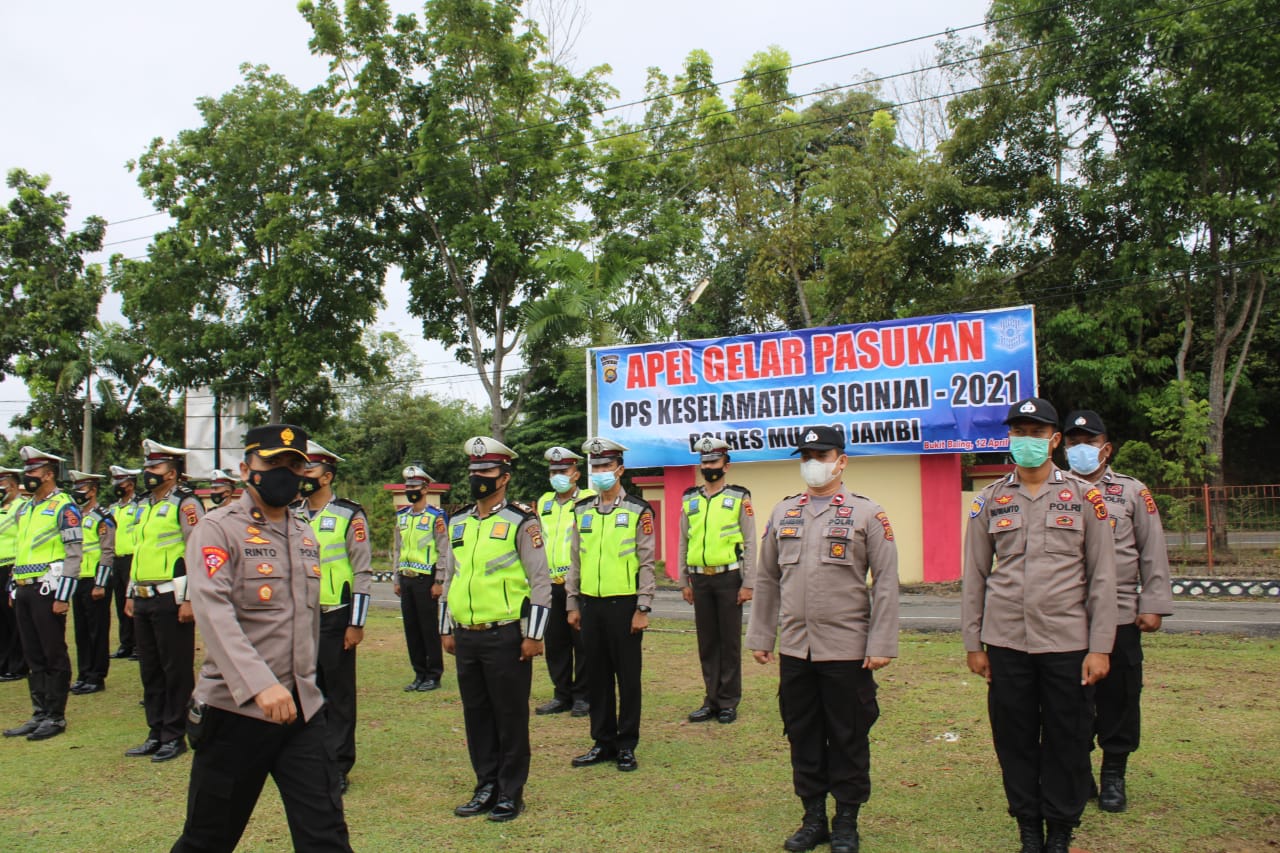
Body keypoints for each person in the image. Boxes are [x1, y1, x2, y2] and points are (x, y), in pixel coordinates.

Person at [172, 424, 352, 853]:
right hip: (236, 712)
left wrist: (305, 685)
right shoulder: (217, 529)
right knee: (208, 840)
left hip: (302, 710)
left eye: (294, 465)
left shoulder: (303, 532)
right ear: (245, 469)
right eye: (273, 462)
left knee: (326, 836)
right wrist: (260, 684)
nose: (284, 473)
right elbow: (214, 613)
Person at [963, 398, 1118, 853]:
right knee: (1014, 739)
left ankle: (1061, 830)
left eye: (1036, 433)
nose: (1025, 441)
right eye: (1018, 432)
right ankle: (1028, 826)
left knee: (1068, 739)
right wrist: (974, 643)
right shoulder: (989, 500)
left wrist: (1100, 646)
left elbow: (1103, 576)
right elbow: (975, 575)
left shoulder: (1085, 497)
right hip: (1007, 642)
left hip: (1067, 643)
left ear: (1054, 440)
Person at [746, 426, 900, 853]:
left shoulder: (867, 514)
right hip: (797, 648)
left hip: (847, 650)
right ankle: (813, 817)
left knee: (849, 736)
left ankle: (846, 820)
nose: (813, 463)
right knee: (802, 733)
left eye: (822, 455)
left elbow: (886, 582)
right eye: (807, 456)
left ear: (841, 461)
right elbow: (767, 578)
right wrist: (762, 635)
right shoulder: (784, 512)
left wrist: (881, 643)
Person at [1062, 409, 1174, 813]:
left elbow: (1152, 549)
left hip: (1121, 611)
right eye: (1073, 442)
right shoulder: (1055, 490)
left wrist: (1154, 603)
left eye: (1089, 442)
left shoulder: (1131, 492)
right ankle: (1080, 774)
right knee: (1070, 699)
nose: (1081, 449)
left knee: (1120, 697)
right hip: (1068, 614)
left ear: (1106, 449)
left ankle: (1114, 774)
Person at [439, 436, 551, 822]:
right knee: (477, 715)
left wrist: (534, 635)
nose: (478, 477)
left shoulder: (522, 521)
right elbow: (450, 577)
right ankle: (485, 785)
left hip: (505, 635)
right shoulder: (458, 521)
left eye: (486, 471)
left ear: (504, 477)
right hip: (466, 633)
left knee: (510, 717)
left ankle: (510, 792)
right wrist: (446, 627)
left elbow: (540, 581)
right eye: (474, 470)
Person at [566, 437, 656, 773]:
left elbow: (647, 562)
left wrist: (643, 607)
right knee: (597, 677)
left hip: (624, 606)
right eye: (596, 466)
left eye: (606, 465)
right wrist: (572, 602)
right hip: (590, 605)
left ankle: (626, 745)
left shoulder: (638, 510)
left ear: (620, 469)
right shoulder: (582, 510)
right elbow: (576, 560)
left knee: (628, 679)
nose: (600, 471)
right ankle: (602, 741)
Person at [296, 440, 372, 793]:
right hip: (300, 618)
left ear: (326, 476)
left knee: (338, 695)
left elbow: (362, 572)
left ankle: (339, 764)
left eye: (309, 470)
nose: (302, 475)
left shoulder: (348, 515)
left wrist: (356, 623)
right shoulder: (291, 514)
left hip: (335, 616)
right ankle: (311, 759)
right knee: (306, 690)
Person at [125, 439, 205, 763]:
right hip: (143, 596)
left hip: (171, 597)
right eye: (147, 466)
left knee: (176, 670)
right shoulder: (144, 505)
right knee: (151, 669)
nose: (148, 472)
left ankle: (175, 734)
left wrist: (189, 600)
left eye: (155, 467)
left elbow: (196, 552)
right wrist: (131, 591)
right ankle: (155, 731)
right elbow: (139, 550)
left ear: (171, 473)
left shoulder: (186, 503)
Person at [3, 446, 82, 741]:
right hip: (24, 587)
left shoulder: (64, 506)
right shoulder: (25, 508)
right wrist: (14, 585)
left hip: (48, 589)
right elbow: (20, 550)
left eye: (33, 471)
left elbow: (74, 553)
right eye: (26, 471)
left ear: (48, 474)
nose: (28, 476)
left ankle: (55, 715)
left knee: (53, 652)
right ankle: (39, 712)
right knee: (32, 654)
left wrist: (63, 596)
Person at [679, 436, 756, 725]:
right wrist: (683, 581)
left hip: (729, 578)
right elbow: (683, 541)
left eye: (714, 461)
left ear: (726, 465)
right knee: (707, 643)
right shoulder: (690, 498)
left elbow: (750, 541)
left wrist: (748, 583)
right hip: (699, 579)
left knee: (729, 642)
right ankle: (711, 700)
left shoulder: (739, 497)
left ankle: (728, 701)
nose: (708, 467)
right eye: (704, 462)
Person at [534, 445, 594, 717]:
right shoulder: (544, 502)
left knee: (582, 642)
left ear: (576, 474)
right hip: (550, 582)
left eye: (564, 471)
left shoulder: (589, 499)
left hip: (576, 583)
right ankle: (562, 694)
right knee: (556, 642)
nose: (558, 476)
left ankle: (584, 696)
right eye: (553, 472)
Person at [391, 465, 448, 692]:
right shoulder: (402, 516)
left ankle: (434, 674)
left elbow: (443, 550)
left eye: (415, 486)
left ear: (425, 489)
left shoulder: (436, 517)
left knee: (428, 628)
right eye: (408, 486)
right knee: (411, 629)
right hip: (406, 577)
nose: (410, 490)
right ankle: (419, 673)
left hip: (426, 578)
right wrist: (396, 578)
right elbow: (398, 548)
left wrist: (439, 580)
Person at [68, 470, 115, 695]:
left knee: (97, 631)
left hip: (95, 580)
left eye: (82, 488)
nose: (77, 493)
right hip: (79, 579)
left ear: (93, 491)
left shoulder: (102, 517)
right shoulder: (75, 516)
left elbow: (107, 552)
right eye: (75, 488)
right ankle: (84, 674)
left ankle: (97, 676)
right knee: (82, 631)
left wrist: (100, 584)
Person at [107, 465, 142, 660]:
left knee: (134, 601)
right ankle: (126, 643)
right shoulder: (113, 508)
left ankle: (138, 644)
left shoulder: (139, 505)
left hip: (132, 558)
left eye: (121, 483)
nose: (117, 487)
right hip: (117, 558)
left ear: (130, 485)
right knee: (120, 602)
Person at [0, 466, 30, 681]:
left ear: (11, 485)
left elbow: (24, 539)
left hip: (12, 566)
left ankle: (18, 665)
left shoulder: (22, 507)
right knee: (1, 619)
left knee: (14, 617)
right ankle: (3, 662)